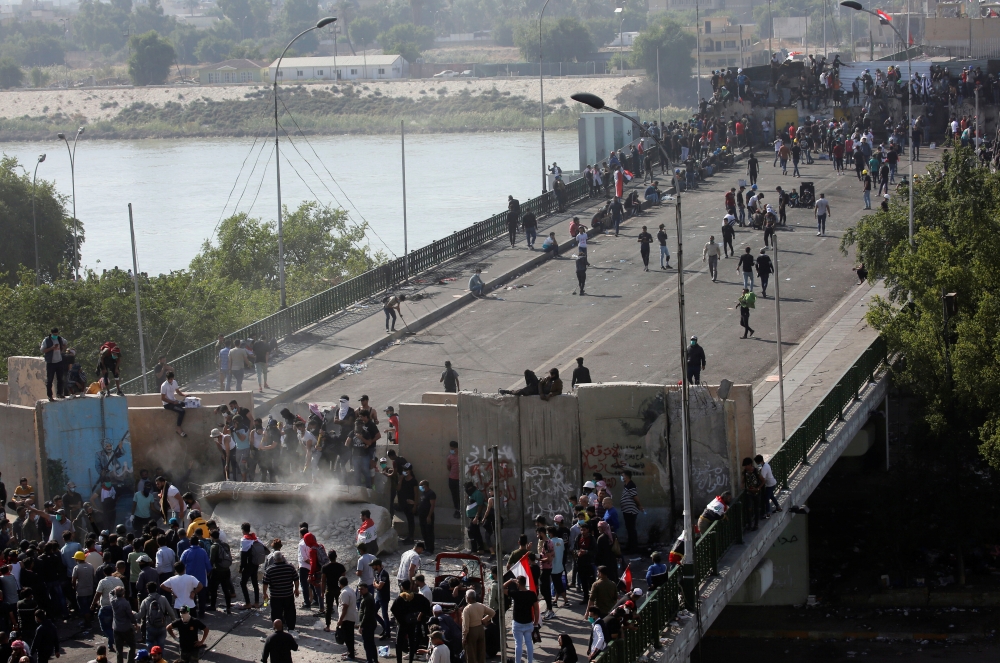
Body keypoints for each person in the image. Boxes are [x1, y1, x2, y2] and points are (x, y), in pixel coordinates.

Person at [262, 552, 300, 632]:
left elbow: (265, 583)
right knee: (290, 612)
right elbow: (296, 579)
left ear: (274, 559)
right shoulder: (290, 567)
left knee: (276, 614)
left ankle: (278, 630)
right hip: (288, 595)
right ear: (282, 557)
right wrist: (296, 589)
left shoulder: (269, 569)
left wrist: (265, 594)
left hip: (275, 596)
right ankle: (291, 629)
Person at [504, 576, 539, 663]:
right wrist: (536, 622)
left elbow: (501, 588)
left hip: (517, 623)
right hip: (528, 622)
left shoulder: (515, 593)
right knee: (529, 643)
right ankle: (530, 661)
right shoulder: (532, 594)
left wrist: (511, 580)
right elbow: (536, 609)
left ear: (518, 584)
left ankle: (518, 662)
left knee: (518, 644)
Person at [139, 582, 174, 651]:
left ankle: (152, 655)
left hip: (150, 626)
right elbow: (170, 612)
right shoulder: (163, 598)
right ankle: (160, 657)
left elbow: (140, 615)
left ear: (147, 590)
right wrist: (174, 621)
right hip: (161, 625)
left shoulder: (145, 601)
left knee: (149, 642)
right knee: (161, 646)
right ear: (156, 589)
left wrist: (133, 614)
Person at [462, 589, 494, 663]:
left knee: (471, 653)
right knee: (481, 652)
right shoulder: (480, 605)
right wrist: (485, 619)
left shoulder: (467, 609)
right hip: (480, 629)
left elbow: (465, 625)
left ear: (468, 598)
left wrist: (464, 637)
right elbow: (492, 612)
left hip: (472, 630)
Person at [41, 328, 68, 402]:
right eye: (54, 334)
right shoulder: (46, 340)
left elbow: (65, 343)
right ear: (51, 333)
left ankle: (60, 393)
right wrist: (52, 348)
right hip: (51, 362)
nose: (55, 335)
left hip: (59, 361)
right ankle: (50, 396)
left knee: (60, 379)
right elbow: (43, 350)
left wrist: (62, 348)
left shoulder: (60, 339)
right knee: (50, 380)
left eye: (56, 334)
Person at [160, 373, 187, 438]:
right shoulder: (164, 386)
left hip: (174, 401)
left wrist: (185, 395)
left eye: (172, 379)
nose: (171, 380)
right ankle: (178, 428)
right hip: (167, 404)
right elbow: (163, 398)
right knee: (182, 411)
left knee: (186, 404)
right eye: (169, 379)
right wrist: (172, 402)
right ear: (167, 378)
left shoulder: (174, 382)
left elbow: (178, 391)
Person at [741, 458, 762, 532]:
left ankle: (756, 525)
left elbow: (763, 481)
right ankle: (749, 525)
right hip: (749, 493)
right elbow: (743, 481)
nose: (745, 467)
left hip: (756, 493)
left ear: (750, 464)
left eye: (746, 465)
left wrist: (758, 488)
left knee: (756, 509)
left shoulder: (756, 471)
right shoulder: (745, 472)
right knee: (749, 509)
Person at [417, 481, 436, 553]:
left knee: (429, 532)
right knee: (424, 532)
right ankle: (426, 547)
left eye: (421, 486)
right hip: (422, 515)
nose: (420, 488)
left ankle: (430, 549)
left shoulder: (431, 493)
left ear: (425, 486)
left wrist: (429, 516)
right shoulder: (423, 493)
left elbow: (432, 505)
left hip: (427, 515)